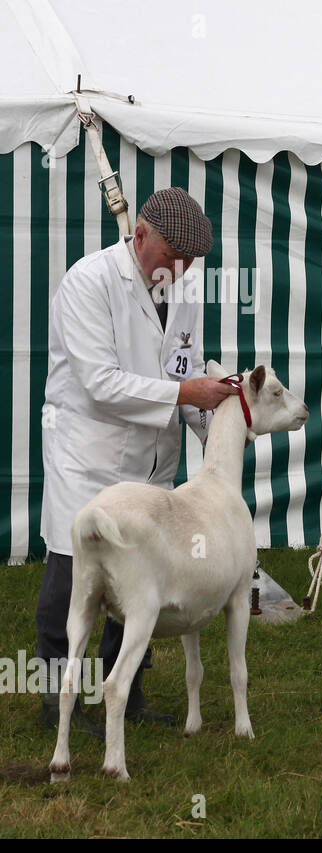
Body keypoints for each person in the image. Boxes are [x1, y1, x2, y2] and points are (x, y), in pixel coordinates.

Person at [36, 187, 241, 735]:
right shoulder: (89, 282)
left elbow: (186, 368)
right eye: (174, 256)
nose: (181, 269)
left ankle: (129, 694)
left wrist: (221, 427)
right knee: (71, 577)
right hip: (88, 456)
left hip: (152, 464)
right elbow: (101, 384)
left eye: (192, 261)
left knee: (141, 578)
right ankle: (57, 699)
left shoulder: (184, 289)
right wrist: (186, 395)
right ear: (140, 236)